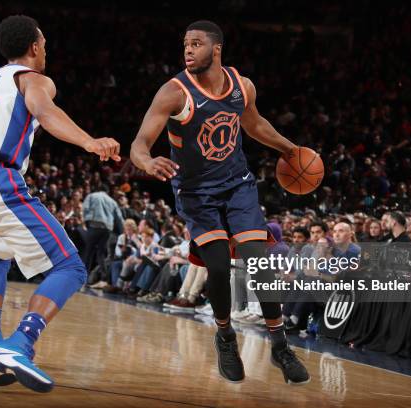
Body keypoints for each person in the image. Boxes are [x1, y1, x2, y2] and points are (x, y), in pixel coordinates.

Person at [0, 15, 120, 393]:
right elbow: (46, 113)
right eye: (44, 44)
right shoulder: (31, 79)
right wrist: (89, 141)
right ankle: (20, 343)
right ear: (33, 46)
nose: (45, 50)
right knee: (70, 266)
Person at [130, 20, 309, 384]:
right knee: (218, 268)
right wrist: (147, 162)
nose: (188, 50)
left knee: (260, 262)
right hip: (196, 193)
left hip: (237, 184)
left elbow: (255, 125)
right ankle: (225, 336)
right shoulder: (174, 92)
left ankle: (280, 345)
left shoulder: (242, 86)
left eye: (196, 43)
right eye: (185, 45)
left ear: (216, 48)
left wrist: (289, 149)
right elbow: (138, 144)